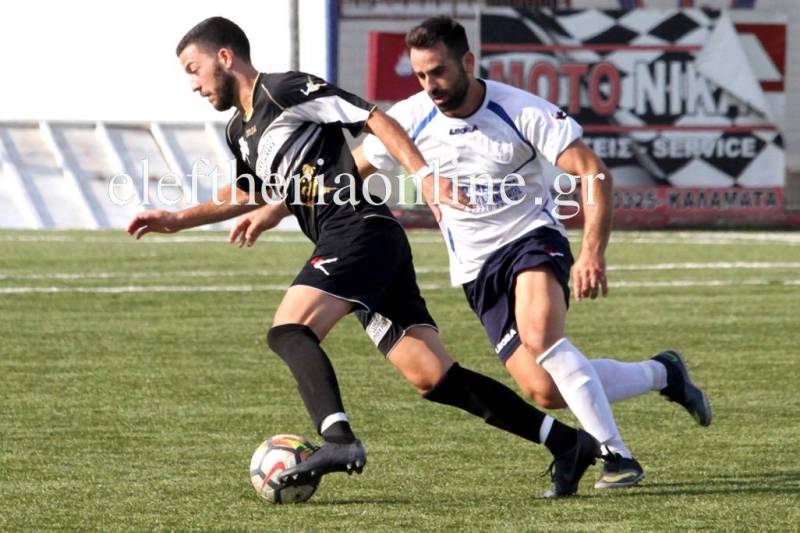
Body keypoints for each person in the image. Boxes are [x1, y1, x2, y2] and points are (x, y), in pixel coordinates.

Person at [127, 16, 601, 498]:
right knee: (434, 377)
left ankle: (339, 441)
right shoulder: (239, 131)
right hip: (363, 243)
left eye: (194, 69)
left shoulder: (284, 90)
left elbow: (374, 117)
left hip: (357, 228)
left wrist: (424, 175)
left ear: (225, 58)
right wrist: (178, 218)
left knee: (288, 330)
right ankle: (568, 444)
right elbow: (250, 190)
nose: (193, 84)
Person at [240, 16, 712, 489]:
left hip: (530, 240)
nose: (431, 85)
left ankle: (616, 456)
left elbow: (592, 171)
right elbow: (352, 169)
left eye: (439, 72)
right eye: (421, 75)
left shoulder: (519, 109)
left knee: (541, 337)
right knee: (545, 388)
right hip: (476, 269)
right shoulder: (412, 116)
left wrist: (592, 251)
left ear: (467, 61)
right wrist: (277, 209)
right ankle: (662, 373)